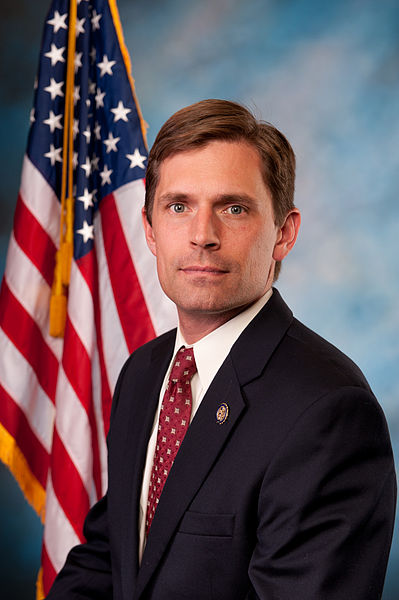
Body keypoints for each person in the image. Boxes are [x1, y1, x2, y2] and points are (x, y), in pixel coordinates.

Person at [46, 99, 396, 599]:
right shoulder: (144, 373)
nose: (201, 236)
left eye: (233, 208)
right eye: (178, 206)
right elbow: (112, 557)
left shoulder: (329, 411)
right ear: (149, 229)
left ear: (284, 232)